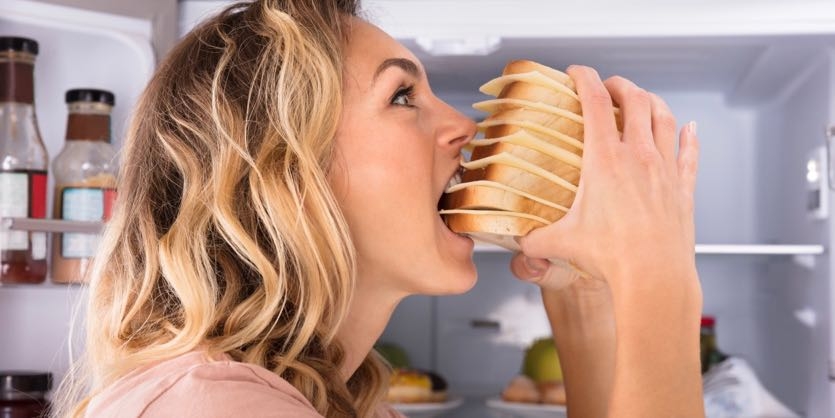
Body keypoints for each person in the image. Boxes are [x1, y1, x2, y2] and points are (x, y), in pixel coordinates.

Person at [53, 0, 704, 417]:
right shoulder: (210, 409)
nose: (462, 127)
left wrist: (586, 298)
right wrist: (659, 276)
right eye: (401, 97)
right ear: (286, 172)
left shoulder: (347, 406)